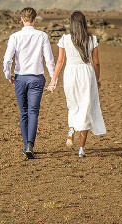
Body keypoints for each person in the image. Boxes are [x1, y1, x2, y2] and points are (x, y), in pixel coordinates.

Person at [47, 10, 105, 158]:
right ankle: (81, 148)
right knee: (85, 107)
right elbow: (96, 62)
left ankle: (71, 128)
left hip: (70, 73)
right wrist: (98, 79)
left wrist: (54, 79)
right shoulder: (92, 39)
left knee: (73, 104)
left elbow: (60, 61)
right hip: (86, 73)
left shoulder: (65, 39)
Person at [3, 7, 56, 159]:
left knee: (23, 112)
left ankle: (27, 145)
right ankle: (30, 145)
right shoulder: (42, 36)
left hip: (21, 78)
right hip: (37, 78)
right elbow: (49, 59)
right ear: (34, 20)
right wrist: (53, 79)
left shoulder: (15, 36)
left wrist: (8, 74)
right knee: (33, 112)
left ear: (21, 19)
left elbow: (7, 59)